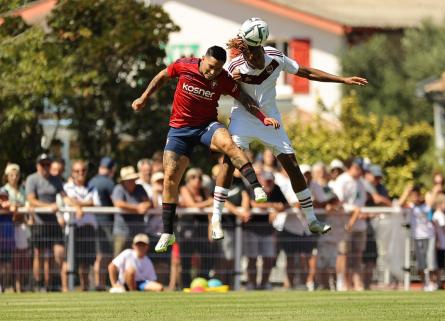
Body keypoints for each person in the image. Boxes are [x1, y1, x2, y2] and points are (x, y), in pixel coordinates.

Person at [213, 17, 367, 239]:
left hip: (272, 118)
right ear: (245, 50)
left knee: (292, 165)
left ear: (260, 49)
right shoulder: (234, 65)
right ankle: (216, 218)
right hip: (243, 118)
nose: (253, 59)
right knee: (229, 162)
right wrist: (230, 83)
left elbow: (306, 72)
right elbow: (220, 86)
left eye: (256, 54)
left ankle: (312, 219)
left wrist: (341, 80)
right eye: (249, 54)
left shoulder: (275, 57)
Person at [131, 45, 279, 252]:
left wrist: (264, 118)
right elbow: (162, 76)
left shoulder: (224, 78)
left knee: (229, 145)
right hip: (180, 130)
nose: (212, 72)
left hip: (206, 126)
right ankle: (168, 233)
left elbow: (245, 99)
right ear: (202, 59)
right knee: (170, 177)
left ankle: (256, 187)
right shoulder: (184, 65)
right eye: (210, 67)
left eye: (218, 69)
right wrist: (144, 97)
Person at [26, 153, 69, 291]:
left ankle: (49, 284)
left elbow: (65, 197)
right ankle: (38, 285)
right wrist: (48, 206)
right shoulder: (32, 179)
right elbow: (31, 200)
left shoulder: (56, 180)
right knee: (39, 254)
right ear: (38, 165)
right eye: (42, 164)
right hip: (39, 223)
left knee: (55, 254)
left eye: (47, 164)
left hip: (53, 223)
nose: (45, 167)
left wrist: (79, 206)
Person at [244, 171, 287, 290]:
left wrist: (276, 209)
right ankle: (251, 283)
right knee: (252, 258)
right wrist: (273, 207)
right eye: (266, 180)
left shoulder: (276, 188)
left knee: (268, 258)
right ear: (261, 180)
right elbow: (254, 204)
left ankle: (264, 283)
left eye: (270, 181)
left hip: (268, 230)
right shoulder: (254, 188)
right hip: (252, 229)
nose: (268, 183)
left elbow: (284, 204)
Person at [333, 157, 368, 291]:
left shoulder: (361, 183)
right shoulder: (342, 181)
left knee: (357, 255)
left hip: (359, 225)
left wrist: (359, 213)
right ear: (351, 167)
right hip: (344, 224)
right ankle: (342, 282)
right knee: (343, 254)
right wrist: (354, 212)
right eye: (357, 168)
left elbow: (361, 203)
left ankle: (357, 283)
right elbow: (339, 203)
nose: (359, 172)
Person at [62, 160, 97, 291]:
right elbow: (67, 200)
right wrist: (78, 205)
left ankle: (84, 288)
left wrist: (77, 205)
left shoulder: (92, 187)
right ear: (72, 172)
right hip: (72, 228)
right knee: (68, 260)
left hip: (88, 228)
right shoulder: (67, 187)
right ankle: (66, 289)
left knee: (86, 262)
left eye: (83, 170)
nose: (80, 173)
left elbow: (92, 202)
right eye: (77, 171)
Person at [178, 168, 214, 287]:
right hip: (188, 228)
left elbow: (210, 211)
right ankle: (185, 286)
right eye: (194, 177)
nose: (197, 180)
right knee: (186, 260)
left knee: (208, 256)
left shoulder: (205, 190)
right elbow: (192, 205)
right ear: (188, 179)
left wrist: (211, 230)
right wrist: (207, 203)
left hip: (202, 229)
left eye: (199, 177)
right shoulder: (184, 189)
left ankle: (202, 281)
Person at [400, 184, 437, 291]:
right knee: (421, 263)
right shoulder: (411, 207)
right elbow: (400, 204)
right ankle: (424, 284)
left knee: (431, 261)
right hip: (417, 237)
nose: (415, 198)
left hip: (430, 236)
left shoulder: (426, 205)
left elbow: (432, 203)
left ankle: (432, 283)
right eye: (412, 196)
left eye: (416, 195)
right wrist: (406, 192)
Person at [88, 156, 116, 291]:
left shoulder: (92, 180)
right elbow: (115, 201)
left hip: (92, 221)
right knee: (104, 255)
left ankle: (98, 282)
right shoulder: (108, 182)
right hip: (105, 222)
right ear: (112, 169)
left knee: (99, 255)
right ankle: (101, 283)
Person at [111, 166, 151, 256]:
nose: (132, 182)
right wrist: (137, 208)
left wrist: (142, 207)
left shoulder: (140, 188)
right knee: (119, 258)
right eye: (129, 180)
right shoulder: (119, 188)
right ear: (124, 181)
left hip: (138, 231)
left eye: (133, 179)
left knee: (138, 257)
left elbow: (148, 202)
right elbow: (118, 203)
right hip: (122, 232)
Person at [3, 164, 29, 292]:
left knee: (22, 257)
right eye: (11, 175)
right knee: (11, 259)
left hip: (22, 227)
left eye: (16, 174)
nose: (14, 177)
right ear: (6, 176)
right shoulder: (4, 190)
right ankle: (12, 285)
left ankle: (20, 285)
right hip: (8, 228)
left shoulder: (22, 190)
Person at [432, 192, 445, 290]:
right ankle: (437, 282)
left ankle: (438, 282)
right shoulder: (439, 215)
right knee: (439, 264)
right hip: (440, 244)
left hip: (441, 243)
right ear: (440, 204)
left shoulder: (439, 214)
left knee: (439, 264)